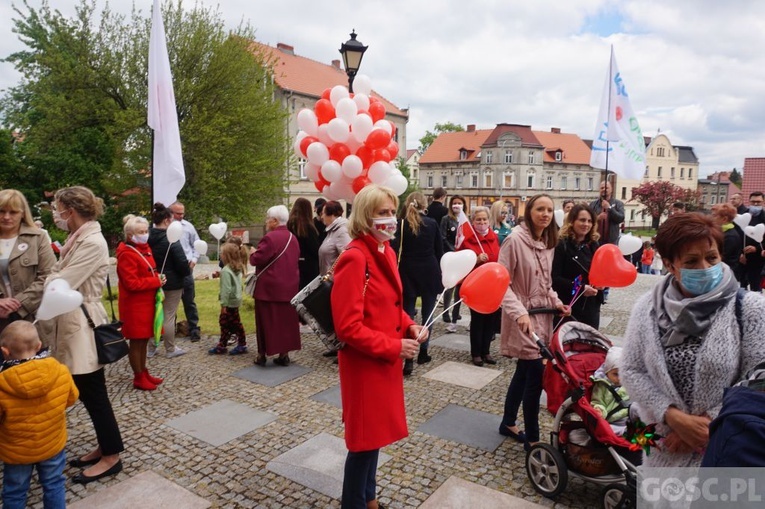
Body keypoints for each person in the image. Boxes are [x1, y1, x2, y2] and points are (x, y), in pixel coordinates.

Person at [621, 212, 765, 468]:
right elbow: (632, 370)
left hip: (724, 451)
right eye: (691, 261)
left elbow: (757, 383)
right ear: (669, 264)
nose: (705, 268)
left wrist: (706, 424)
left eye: (712, 257)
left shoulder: (750, 308)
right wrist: (672, 416)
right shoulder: (648, 308)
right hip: (662, 453)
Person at [331, 184, 427, 509]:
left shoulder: (383, 251)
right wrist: (394, 347)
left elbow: (387, 303)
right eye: (382, 213)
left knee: (374, 439)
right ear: (365, 216)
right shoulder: (355, 258)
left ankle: (369, 499)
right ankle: (354, 503)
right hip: (366, 365)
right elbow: (348, 326)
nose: (390, 219)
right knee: (362, 444)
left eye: (391, 212)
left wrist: (409, 323)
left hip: (382, 363)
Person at [46, 186, 124, 483]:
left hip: (82, 325)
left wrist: (51, 277)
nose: (56, 214)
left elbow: (61, 281)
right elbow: (57, 274)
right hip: (72, 321)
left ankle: (112, 456)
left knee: (93, 393)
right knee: (92, 394)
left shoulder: (92, 241)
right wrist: (52, 276)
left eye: (58, 209)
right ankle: (106, 446)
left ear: (71, 210)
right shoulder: (77, 237)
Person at [498, 193, 569, 450]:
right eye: (540, 209)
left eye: (549, 210)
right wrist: (519, 312)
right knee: (535, 375)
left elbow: (546, 284)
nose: (545, 214)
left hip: (542, 315)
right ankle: (534, 438)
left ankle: (507, 422)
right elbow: (501, 284)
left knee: (524, 371)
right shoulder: (514, 241)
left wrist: (557, 302)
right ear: (529, 212)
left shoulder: (548, 241)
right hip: (523, 317)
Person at [0, 321, 78, 508]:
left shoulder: (2, 384)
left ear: (5, 351)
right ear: (39, 346)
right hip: (52, 442)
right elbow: (71, 398)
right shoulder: (60, 371)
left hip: (16, 450)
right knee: (54, 484)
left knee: (15, 491)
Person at [391, 192, 443, 375]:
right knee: (429, 314)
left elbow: (394, 248)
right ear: (424, 205)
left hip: (407, 270)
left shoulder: (400, 224)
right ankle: (423, 351)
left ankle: (409, 358)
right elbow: (439, 250)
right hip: (429, 269)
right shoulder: (432, 223)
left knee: (407, 316)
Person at [116, 215, 166, 391]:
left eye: (146, 231)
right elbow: (131, 283)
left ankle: (144, 371)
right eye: (140, 232)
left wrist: (158, 277)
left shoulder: (145, 248)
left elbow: (147, 272)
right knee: (137, 343)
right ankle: (138, 377)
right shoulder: (127, 254)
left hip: (146, 303)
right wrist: (155, 282)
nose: (145, 234)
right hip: (135, 306)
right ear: (130, 235)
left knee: (144, 340)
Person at [0, 190, 56, 337]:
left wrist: (18, 303)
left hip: (31, 320)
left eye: (13, 212)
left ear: (23, 213)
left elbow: (49, 276)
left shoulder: (38, 238)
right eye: (1, 211)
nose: (6, 217)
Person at [249, 205, 301, 367]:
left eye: (267, 218)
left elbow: (257, 259)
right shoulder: (293, 238)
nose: (266, 221)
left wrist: (251, 252)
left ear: (274, 221)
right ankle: (284, 354)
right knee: (285, 323)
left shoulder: (270, 238)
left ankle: (262, 355)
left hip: (269, 289)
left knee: (265, 322)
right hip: (289, 287)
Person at [458, 206, 500, 366]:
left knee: (490, 319)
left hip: (493, 285)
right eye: (478, 220)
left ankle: (486, 351)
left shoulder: (494, 238)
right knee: (478, 320)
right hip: (476, 285)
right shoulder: (468, 240)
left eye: (484, 219)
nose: (482, 222)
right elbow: (461, 261)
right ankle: (476, 353)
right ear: (473, 221)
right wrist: (475, 259)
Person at [149, 203, 191, 359]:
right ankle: (170, 348)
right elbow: (182, 263)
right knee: (168, 315)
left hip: (152, 281)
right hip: (172, 283)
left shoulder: (147, 237)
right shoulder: (171, 239)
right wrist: (187, 271)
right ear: (167, 220)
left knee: (154, 314)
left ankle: (151, 347)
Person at [552, 204, 604, 329]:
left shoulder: (594, 245)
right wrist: (580, 288)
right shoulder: (561, 245)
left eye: (590, 221)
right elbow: (555, 279)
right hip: (568, 305)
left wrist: (603, 283)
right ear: (572, 221)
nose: (586, 224)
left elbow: (601, 271)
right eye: (582, 220)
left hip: (591, 307)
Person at [168, 202, 202, 342]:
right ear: (171, 212)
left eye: (182, 213)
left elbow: (197, 243)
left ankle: (193, 328)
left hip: (187, 268)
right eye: (178, 213)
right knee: (170, 301)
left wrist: (194, 260)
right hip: (172, 269)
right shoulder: (166, 227)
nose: (181, 216)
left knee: (189, 300)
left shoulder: (188, 226)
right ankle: (170, 330)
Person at [209, 241, 249, 355]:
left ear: (226, 256)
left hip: (229, 302)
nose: (220, 255)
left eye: (221, 253)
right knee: (228, 323)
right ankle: (222, 344)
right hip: (236, 300)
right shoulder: (236, 268)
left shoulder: (226, 270)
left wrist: (223, 304)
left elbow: (226, 289)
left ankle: (241, 344)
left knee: (230, 323)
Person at [590, 347, 631, 434]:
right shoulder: (601, 385)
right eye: (615, 374)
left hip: (629, 414)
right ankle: (625, 431)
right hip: (613, 419)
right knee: (607, 429)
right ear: (606, 372)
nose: (620, 378)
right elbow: (597, 401)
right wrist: (599, 410)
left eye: (622, 373)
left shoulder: (628, 382)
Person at [440, 195, 467, 330]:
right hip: (451, 255)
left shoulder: (465, 220)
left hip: (462, 257)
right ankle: (446, 311)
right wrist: (453, 250)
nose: (457, 205)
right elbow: (443, 237)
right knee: (449, 285)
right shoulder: (446, 219)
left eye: (459, 203)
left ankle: (456, 311)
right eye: (455, 203)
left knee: (460, 288)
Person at [288, 198, 320, 290]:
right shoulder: (309, 227)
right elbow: (315, 249)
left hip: (293, 263)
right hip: (309, 266)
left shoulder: (289, 224)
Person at [740, 191, 765, 291]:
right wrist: (740, 253)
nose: (755, 204)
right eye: (753, 202)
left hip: (758, 259)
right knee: (741, 286)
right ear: (749, 202)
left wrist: (756, 248)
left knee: (755, 286)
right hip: (742, 258)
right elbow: (737, 236)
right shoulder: (743, 217)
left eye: (758, 202)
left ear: (763, 202)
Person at [318, 201, 351, 276]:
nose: (322, 217)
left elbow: (347, 259)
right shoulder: (332, 230)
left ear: (331, 214)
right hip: (330, 281)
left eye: (323, 213)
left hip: (335, 282)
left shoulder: (342, 231)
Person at [711, 202, 743, 279]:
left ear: (724, 219)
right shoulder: (721, 232)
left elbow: (722, 257)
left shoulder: (730, 236)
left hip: (725, 274)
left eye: (714, 216)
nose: (711, 218)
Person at [589, 180, 624, 245]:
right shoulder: (593, 204)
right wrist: (597, 218)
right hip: (596, 240)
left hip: (612, 241)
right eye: (602, 188)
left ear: (611, 190)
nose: (604, 189)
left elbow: (620, 218)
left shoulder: (618, 204)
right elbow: (589, 220)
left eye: (606, 188)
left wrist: (609, 208)